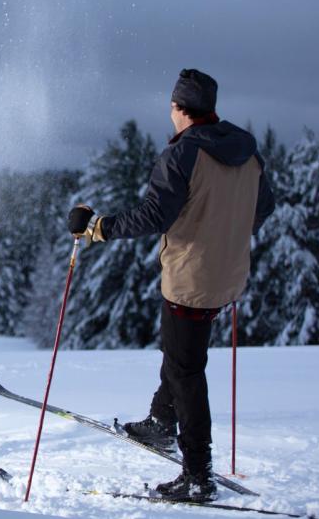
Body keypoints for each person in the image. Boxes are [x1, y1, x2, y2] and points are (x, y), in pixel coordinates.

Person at [67, 69, 275, 502]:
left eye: (173, 106)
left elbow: (153, 216)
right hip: (229, 274)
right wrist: (227, 234)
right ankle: (162, 421)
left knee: (186, 370)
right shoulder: (246, 151)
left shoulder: (183, 155)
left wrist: (98, 228)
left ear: (179, 109)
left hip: (191, 279)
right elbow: (264, 205)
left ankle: (198, 474)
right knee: (183, 352)